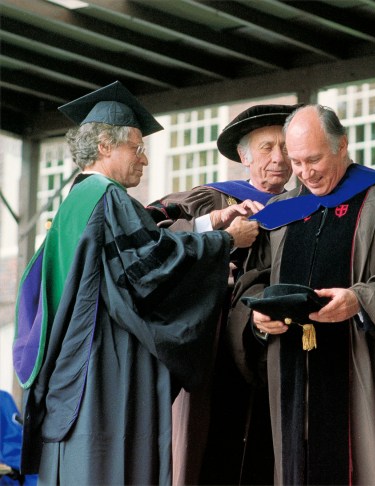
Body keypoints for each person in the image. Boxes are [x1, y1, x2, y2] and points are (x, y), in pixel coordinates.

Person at [12, 81, 259, 485]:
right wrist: (226, 243)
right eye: (136, 147)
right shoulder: (108, 198)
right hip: (104, 365)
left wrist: (209, 222)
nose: (143, 160)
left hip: (73, 366)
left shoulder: (78, 199)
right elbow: (149, 268)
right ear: (106, 146)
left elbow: (140, 247)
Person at [230, 104, 375, 484]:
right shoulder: (283, 212)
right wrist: (258, 316)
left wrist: (360, 300)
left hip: (367, 370)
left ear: (342, 145)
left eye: (313, 159)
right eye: (296, 162)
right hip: (295, 379)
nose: (304, 172)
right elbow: (252, 280)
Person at [147, 103, 298, 485]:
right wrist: (214, 243)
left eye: (285, 147)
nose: (278, 158)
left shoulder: (306, 208)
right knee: (211, 453)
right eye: (266, 148)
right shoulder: (212, 200)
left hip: (278, 349)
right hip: (213, 352)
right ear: (244, 157)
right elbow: (149, 240)